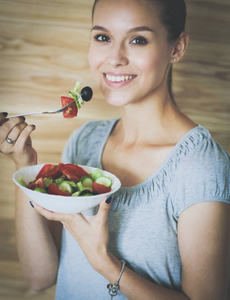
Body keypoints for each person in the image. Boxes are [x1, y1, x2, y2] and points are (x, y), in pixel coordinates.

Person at [0, 0, 229, 299]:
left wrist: (104, 263)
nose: (115, 58)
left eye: (137, 40)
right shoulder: (84, 141)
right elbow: (40, 276)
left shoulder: (201, 165)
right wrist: (25, 169)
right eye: (103, 37)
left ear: (177, 47)